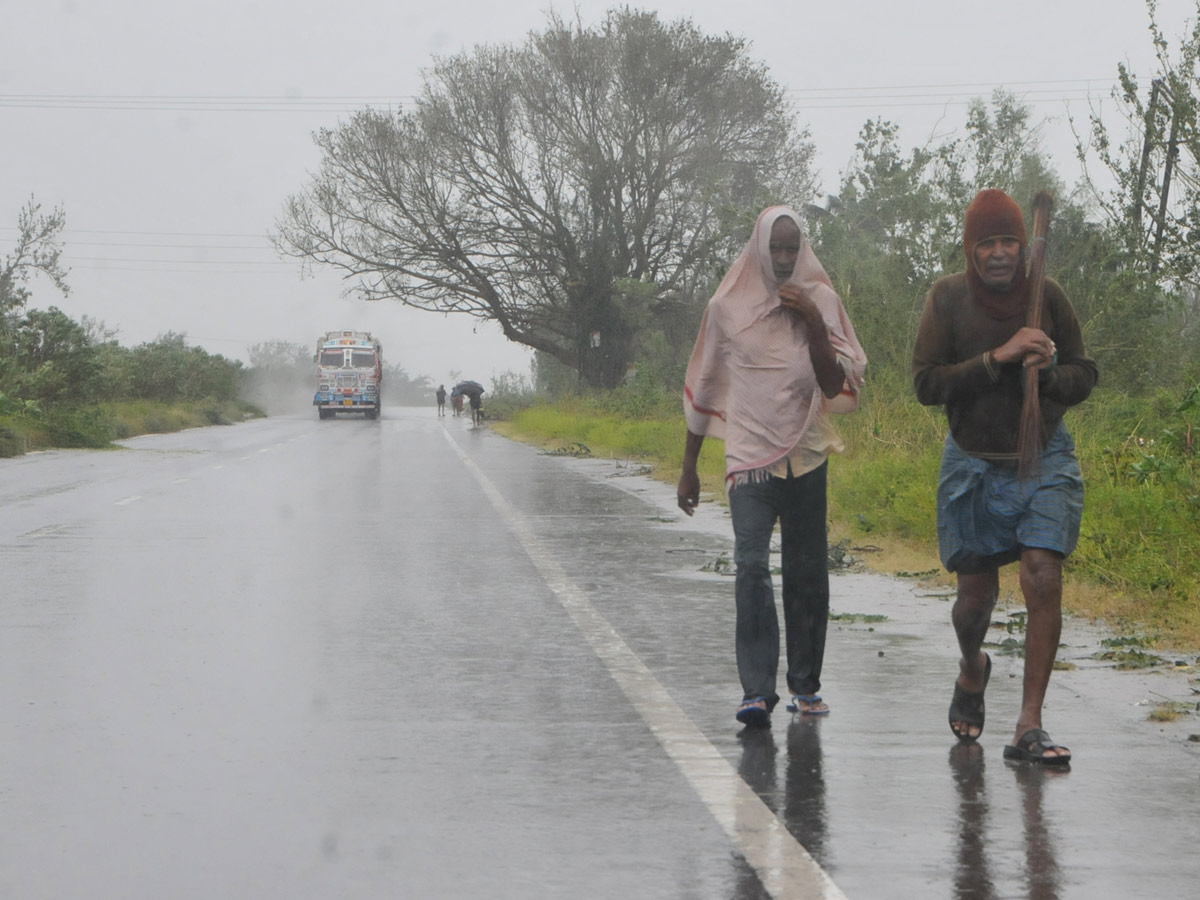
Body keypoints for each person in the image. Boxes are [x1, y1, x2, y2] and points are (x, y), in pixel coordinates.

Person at [912, 188, 1098, 765]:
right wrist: (999, 357)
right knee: (974, 602)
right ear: (970, 250)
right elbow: (926, 384)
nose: (999, 254)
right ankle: (973, 667)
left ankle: (1029, 724)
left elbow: (1085, 373)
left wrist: (1047, 375)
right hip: (972, 465)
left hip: (1043, 458)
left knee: (1042, 575)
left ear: (1024, 244)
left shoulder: (1049, 297)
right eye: (986, 243)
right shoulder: (946, 299)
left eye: (1009, 241)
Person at [677, 206, 867, 729]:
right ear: (760, 247)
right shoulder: (726, 307)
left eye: (792, 249)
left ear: (802, 248)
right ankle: (756, 691)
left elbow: (834, 386)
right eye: (775, 249)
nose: (784, 259)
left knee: (807, 571)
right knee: (752, 567)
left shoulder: (821, 300)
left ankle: (805, 687)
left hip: (804, 454)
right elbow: (708, 384)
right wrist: (688, 467)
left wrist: (810, 318)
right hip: (749, 459)